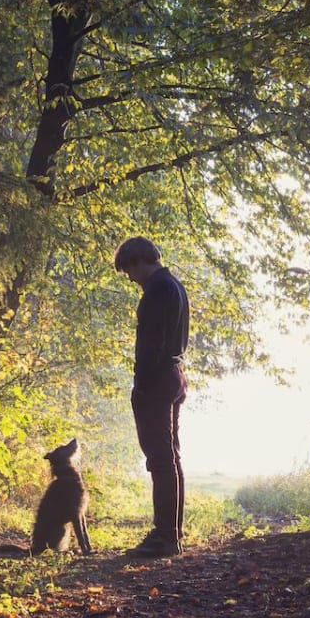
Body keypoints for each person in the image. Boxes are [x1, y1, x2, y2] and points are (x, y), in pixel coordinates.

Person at [114, 236, 188, 557]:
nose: (130, 278)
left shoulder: (158, 289)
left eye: (129, 270)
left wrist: (141, 384)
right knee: (170, 456)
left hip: (157, 379)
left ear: (137, 261)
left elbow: (150, 343)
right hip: (173, 375)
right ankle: (171, 532)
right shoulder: (175, 286)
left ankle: (166, 537)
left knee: (160, 458)